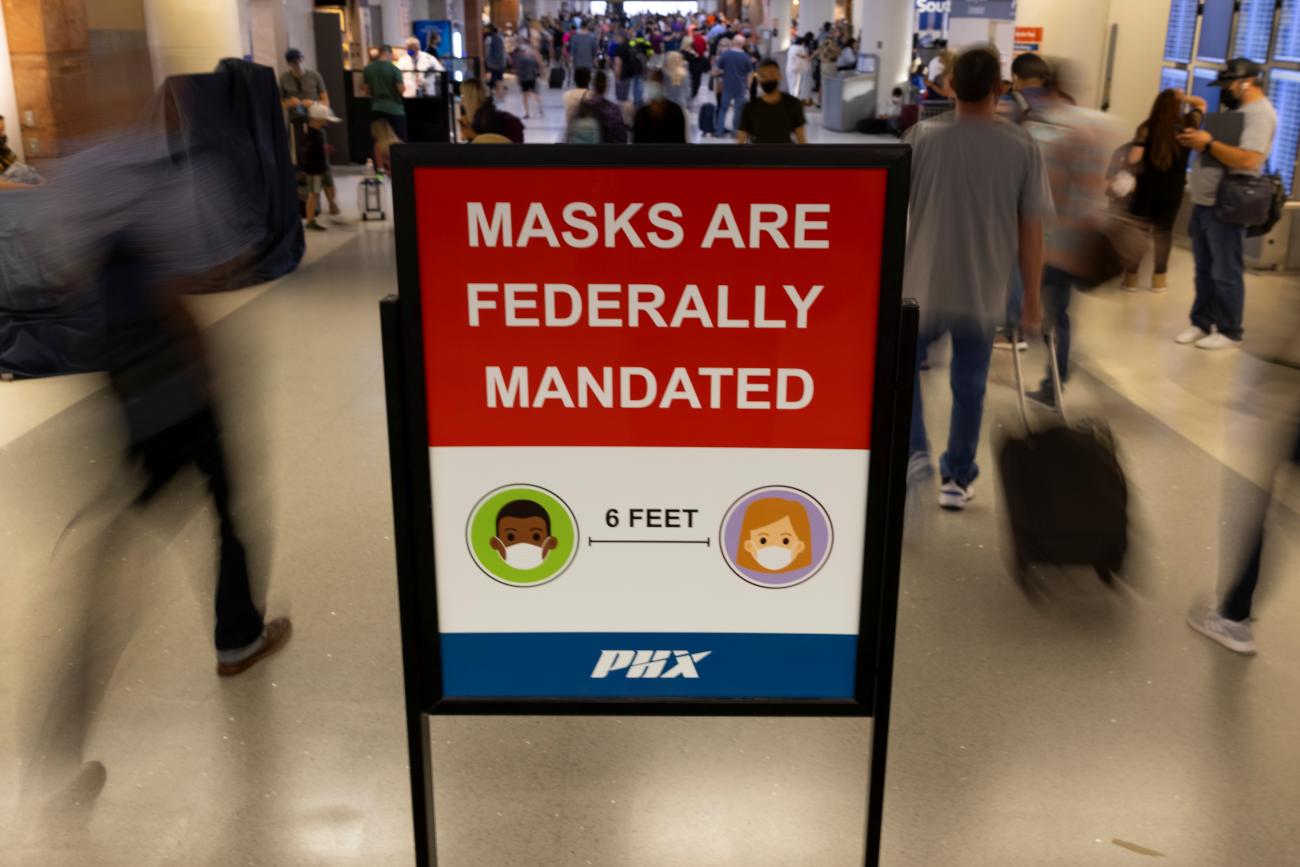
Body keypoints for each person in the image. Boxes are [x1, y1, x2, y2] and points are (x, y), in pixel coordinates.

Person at [904, 46, 1053, 511]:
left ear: (949, 86)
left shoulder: (919, 138)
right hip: (982, 289)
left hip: (919, 285)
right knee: (969, 387)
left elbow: (887, 213)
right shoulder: (1022, 145)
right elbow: (1031, 230)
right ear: (999, 88)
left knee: (899, 376)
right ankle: (957, 476)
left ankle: (914, 453)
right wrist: (1031, 298)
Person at [1174, 58, 1277, 350]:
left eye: (1228, 85)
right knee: (1204, 268)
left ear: (1245, 82)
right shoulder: (1241, 112)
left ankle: (1230, 329)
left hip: (1228, 202)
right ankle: (1201, 322)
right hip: (1207, 201)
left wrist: (1207, 143)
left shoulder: (1260, 114)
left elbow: (1249, 159)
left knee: (1226, 270)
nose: (1226, 91)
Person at [1123, 89, 1203, 292]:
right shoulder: (1188, 126)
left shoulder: (1147, 128)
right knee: (1164, 233)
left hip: (1147, 187)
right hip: (1174, 188)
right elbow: (1201, 104)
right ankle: (1159, 279)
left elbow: (1133, 159)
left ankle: (1131, 278)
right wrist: (1183, 97)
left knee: (1139, 232)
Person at [279, 48, 339, 216]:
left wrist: (311, 103)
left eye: (299, 61)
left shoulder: (314, 76)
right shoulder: (284, 79)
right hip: (295, 125)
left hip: (315, 124)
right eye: (293, 63)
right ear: (289, 63)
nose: (297, 65)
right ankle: (306, 205)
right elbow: (279, 103)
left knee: (322, 163)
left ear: (303, 59)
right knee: (300, 163)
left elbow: (325, 101)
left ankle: (331, 202)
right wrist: (290, 103)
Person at [737, 58, 807, 144]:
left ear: (779, 76)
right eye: (763, 76)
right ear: (758, 80)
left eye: (772, 74)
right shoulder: (749, 108)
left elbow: (801, 139)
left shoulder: (793, 104)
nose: (768, 78)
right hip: (758, 156)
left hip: (785, 155)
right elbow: (740, 141)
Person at [301, 104, 341, 230]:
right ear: (317, 119)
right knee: (314, 193)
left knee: (330, 187)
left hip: (323, 166)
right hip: (315, 170)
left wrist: (325, 148)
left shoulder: (320, 132)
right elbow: (308, 151)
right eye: (325, 119)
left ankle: (331, 204)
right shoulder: (310, 134)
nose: (326, 122)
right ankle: (310, 220)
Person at [568, 70, 628, 143]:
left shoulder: (582, 108)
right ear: (606, 86)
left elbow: (570, 134)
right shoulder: (614, 110)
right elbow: (622, 137)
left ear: (593, 86)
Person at [363, 45, 408, 142]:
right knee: (398, 140)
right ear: (389, 54)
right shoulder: (394, 69)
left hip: (376, 108)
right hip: (394, 110)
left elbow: (366, 90)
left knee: (379, 139)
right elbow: (401, 90)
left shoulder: (368, 69)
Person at [457, 78, 522, 143]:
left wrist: (473, 135)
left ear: (470, 96)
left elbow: (496, 144)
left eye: (463, 95)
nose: (462, 100)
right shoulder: (478, 113)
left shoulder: (488, 116)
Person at [715, 33, 753, 138]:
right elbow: (750, 73)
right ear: (743, 44)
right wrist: (748, 86)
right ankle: (735, 131)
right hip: (740, 86)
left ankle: (719, 131)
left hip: (727, 84)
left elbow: (717, 69)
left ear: (733, 42)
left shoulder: (726, 54)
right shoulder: (746, 57)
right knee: (738, 110)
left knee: (723, 109)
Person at [632, 70, 687, 143]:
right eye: (650, 83)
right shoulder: (642, 114)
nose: (652, 86)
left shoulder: (675, 112)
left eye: (656, 83)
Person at [0, 115, 42, 188]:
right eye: (0, 130)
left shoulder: (4, 149)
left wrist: (40, 180)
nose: (3, 134)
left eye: (3, 130)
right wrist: (32, 188)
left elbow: (18, 165)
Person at [513, 42, 543, 118]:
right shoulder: (532, 59)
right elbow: (537, 67)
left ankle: (527, 113)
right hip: (532, 78)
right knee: (535, 94)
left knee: (525, 96)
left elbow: (518, 70)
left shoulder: (519, 59)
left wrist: (518, 79)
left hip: (523, 79)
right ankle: (540, 108)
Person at [786, 34, 812, 106]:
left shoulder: (791, 47)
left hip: (789, 68)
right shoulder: (800, 48)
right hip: (796, 69)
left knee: (791, 85)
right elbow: (804, 56)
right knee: (795, 86)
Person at [484, 25, 507, 101]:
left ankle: (498, 96)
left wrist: (488, 61)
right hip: (501, 63)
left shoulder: (490, 39)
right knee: (499, 79)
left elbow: (487, 52)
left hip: (494, 63)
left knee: (496, 79)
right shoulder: (500, 38)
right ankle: (501, 96)